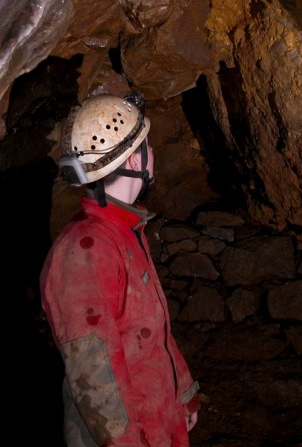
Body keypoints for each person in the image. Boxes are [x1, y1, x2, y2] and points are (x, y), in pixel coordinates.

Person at [40, 92, 200, 446]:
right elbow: (94, 375)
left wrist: (182, 395)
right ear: (133, 158)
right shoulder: (86, 248)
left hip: (157, 420)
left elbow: (152, 331)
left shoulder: (123, 232)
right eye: (147, 145)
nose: (153, 153)